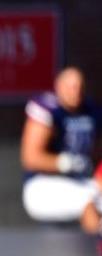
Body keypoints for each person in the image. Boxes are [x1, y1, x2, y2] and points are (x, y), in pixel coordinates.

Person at [21, 67, 100, 223]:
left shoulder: (92, 110)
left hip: (81, 181)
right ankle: (96, 245)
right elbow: (30, 158)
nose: (75, 91)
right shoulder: (48, 109)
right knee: (86, 201)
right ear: (58, 86)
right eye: (70, 87)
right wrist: (66, 163)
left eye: (79, 86)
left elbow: (97, 153)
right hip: (43, 184)